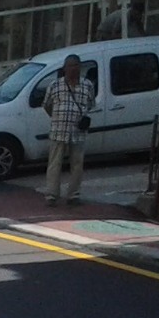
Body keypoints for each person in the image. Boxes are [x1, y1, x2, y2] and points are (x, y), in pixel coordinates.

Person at [43, 54, 95, 207]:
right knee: (55, 163)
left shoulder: (87, 85)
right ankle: (52, 195)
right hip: (59, 130)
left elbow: (90, 104)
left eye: (76, 66)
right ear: (64, 68)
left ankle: (73, 195)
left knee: (77, 164)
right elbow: (47, 105)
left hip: (77, 132)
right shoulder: (55, 85)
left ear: (80, 67)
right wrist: (57, 117)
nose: (73, 69)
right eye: (70, 66)